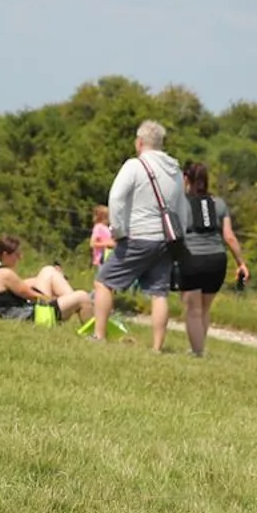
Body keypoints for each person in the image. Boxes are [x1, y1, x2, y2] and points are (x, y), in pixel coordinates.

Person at [91, 120, 186, 351]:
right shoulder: (175, 171)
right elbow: (182, 208)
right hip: (166, 240)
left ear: (140, 142)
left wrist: (118, 230)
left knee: (104, 282)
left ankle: (99, 336)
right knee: (159, 292)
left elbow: (116, 198)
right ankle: (156, 348)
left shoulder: (135, 165)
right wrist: (178, 238)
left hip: (138, 236)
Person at [174, 162, 247, 358]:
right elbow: (229, 236)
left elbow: (175, 233)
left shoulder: (181, 203)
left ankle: (197, 352)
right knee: (204, 308)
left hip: (193, 259)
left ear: (186, 179)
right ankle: (199, 348)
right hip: (217, 260)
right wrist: (241, 263)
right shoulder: (219, 203)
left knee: (193, 309)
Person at [0, 234, 92, 324]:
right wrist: (54, 299)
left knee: (48, 271)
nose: (20, 257)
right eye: (17, 254)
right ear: (5, 254)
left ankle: (75, 306)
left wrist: (41, 281)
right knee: (82, 296)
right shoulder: (6, 274)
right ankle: (93, 333)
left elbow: (19, 286)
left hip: (22, 311)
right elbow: (31, 295)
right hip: (29, 317)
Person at [89, 205, 113, 270]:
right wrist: (107, 244)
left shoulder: (106, 228)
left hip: (108, 257)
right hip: (102, 258)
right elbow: (92, 243)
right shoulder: (98, 227)